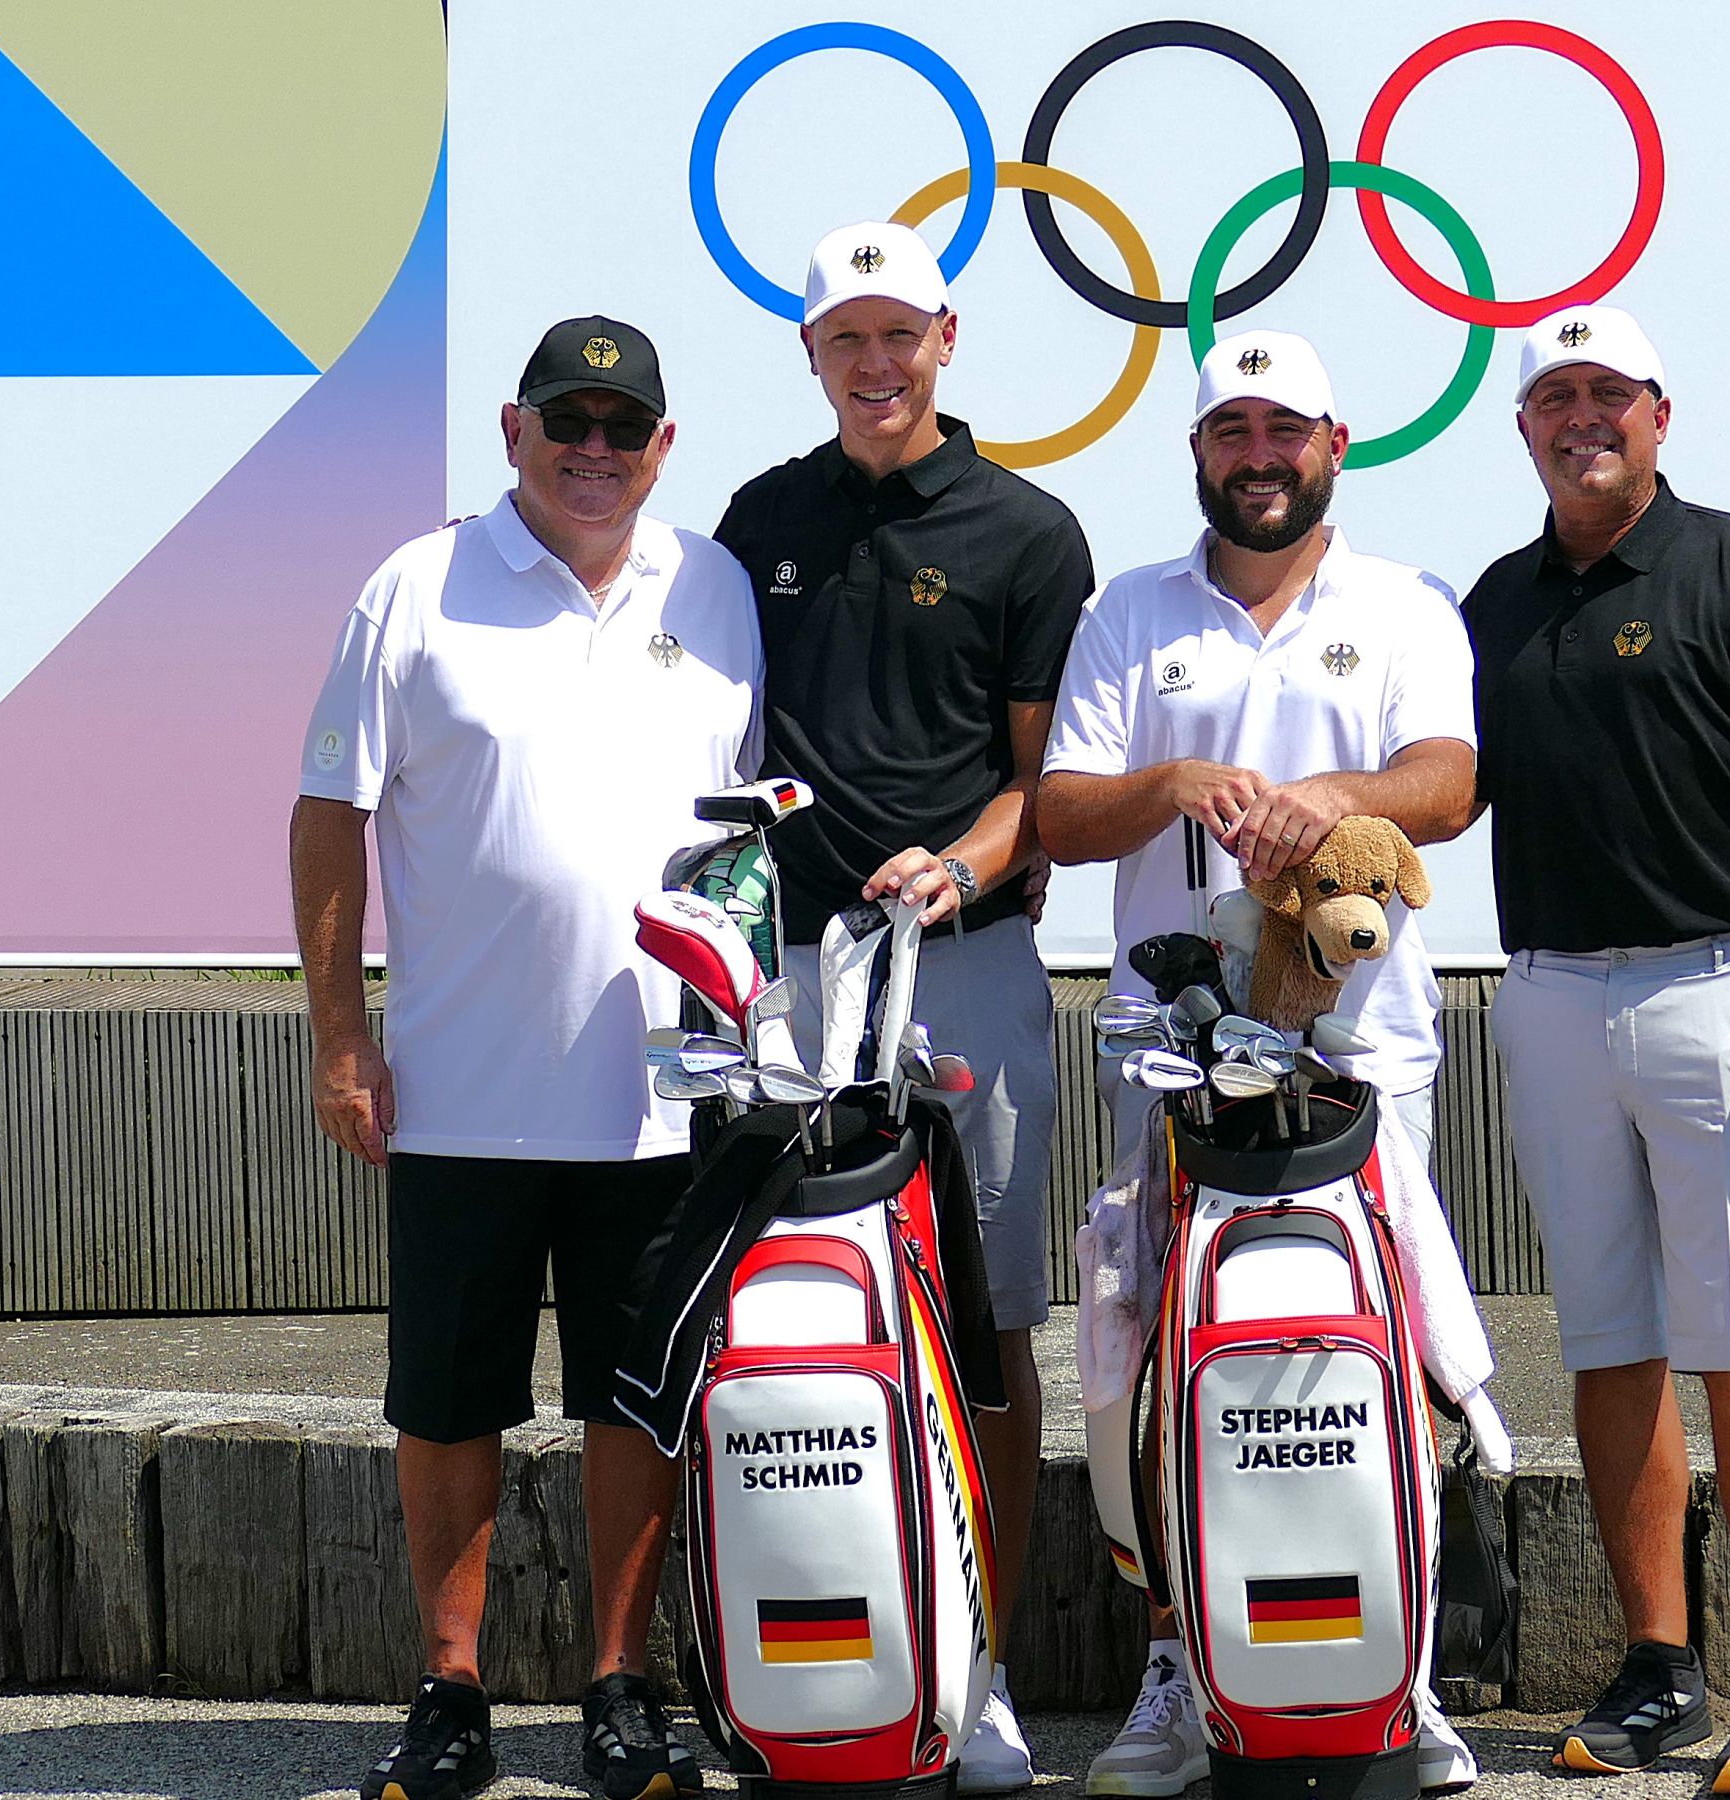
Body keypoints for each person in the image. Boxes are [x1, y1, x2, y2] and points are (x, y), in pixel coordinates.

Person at [291, 317, 759, 1800]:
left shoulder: (718, 587)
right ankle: (450, 1694)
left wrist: (745, 1036)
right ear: (514, 429)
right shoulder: (415, 587)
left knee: (637, 1405)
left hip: (658, 1099)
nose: (597, 450)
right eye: (571, 419)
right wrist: (341, 1038)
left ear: (664, 447)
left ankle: (620, 1689)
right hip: (460, 1092)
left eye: (627, 426)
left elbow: (743, 827)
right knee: (449, 1405)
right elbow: (326, 814)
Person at [1038, 330, 1480, 1796]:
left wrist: (1328, 801)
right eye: (1232, 429)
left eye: (1286, 429)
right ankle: (1175, 1662)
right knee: (1155, 1354)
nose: (1259, 454)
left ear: (1335, 445)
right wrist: (1171, 784)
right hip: (1168, 1067)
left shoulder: (1405, 605)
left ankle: (1398, 1673)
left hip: (1367, 1057)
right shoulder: (1130, 612)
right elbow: (1060, 813)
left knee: (1390, 1355)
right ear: (1199, 452)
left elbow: (1449, 783)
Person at [1462, 304, 1730, 1796]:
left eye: (1609, 395)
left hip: (1728, 987)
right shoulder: (1498, 604)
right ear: (1524, 429)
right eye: (1554, 398)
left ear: (1660, 412)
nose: (1584, 419)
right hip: (1554, 992)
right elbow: (1450, 790)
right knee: (1608, 1343)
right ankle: (1656, 1669)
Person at [709, 220, 1094, 1795]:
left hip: (965, 966)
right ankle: (792, 1653)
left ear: (949, 339)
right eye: (845, 340)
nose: (876, 365)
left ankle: (977, 1662)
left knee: (985, 1328)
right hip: (788, 981)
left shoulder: (1027, 530)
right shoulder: (757, 519)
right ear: (813, 353)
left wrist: (965, 864)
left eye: (900, 335)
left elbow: (1039, 783)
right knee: (776, 1317)